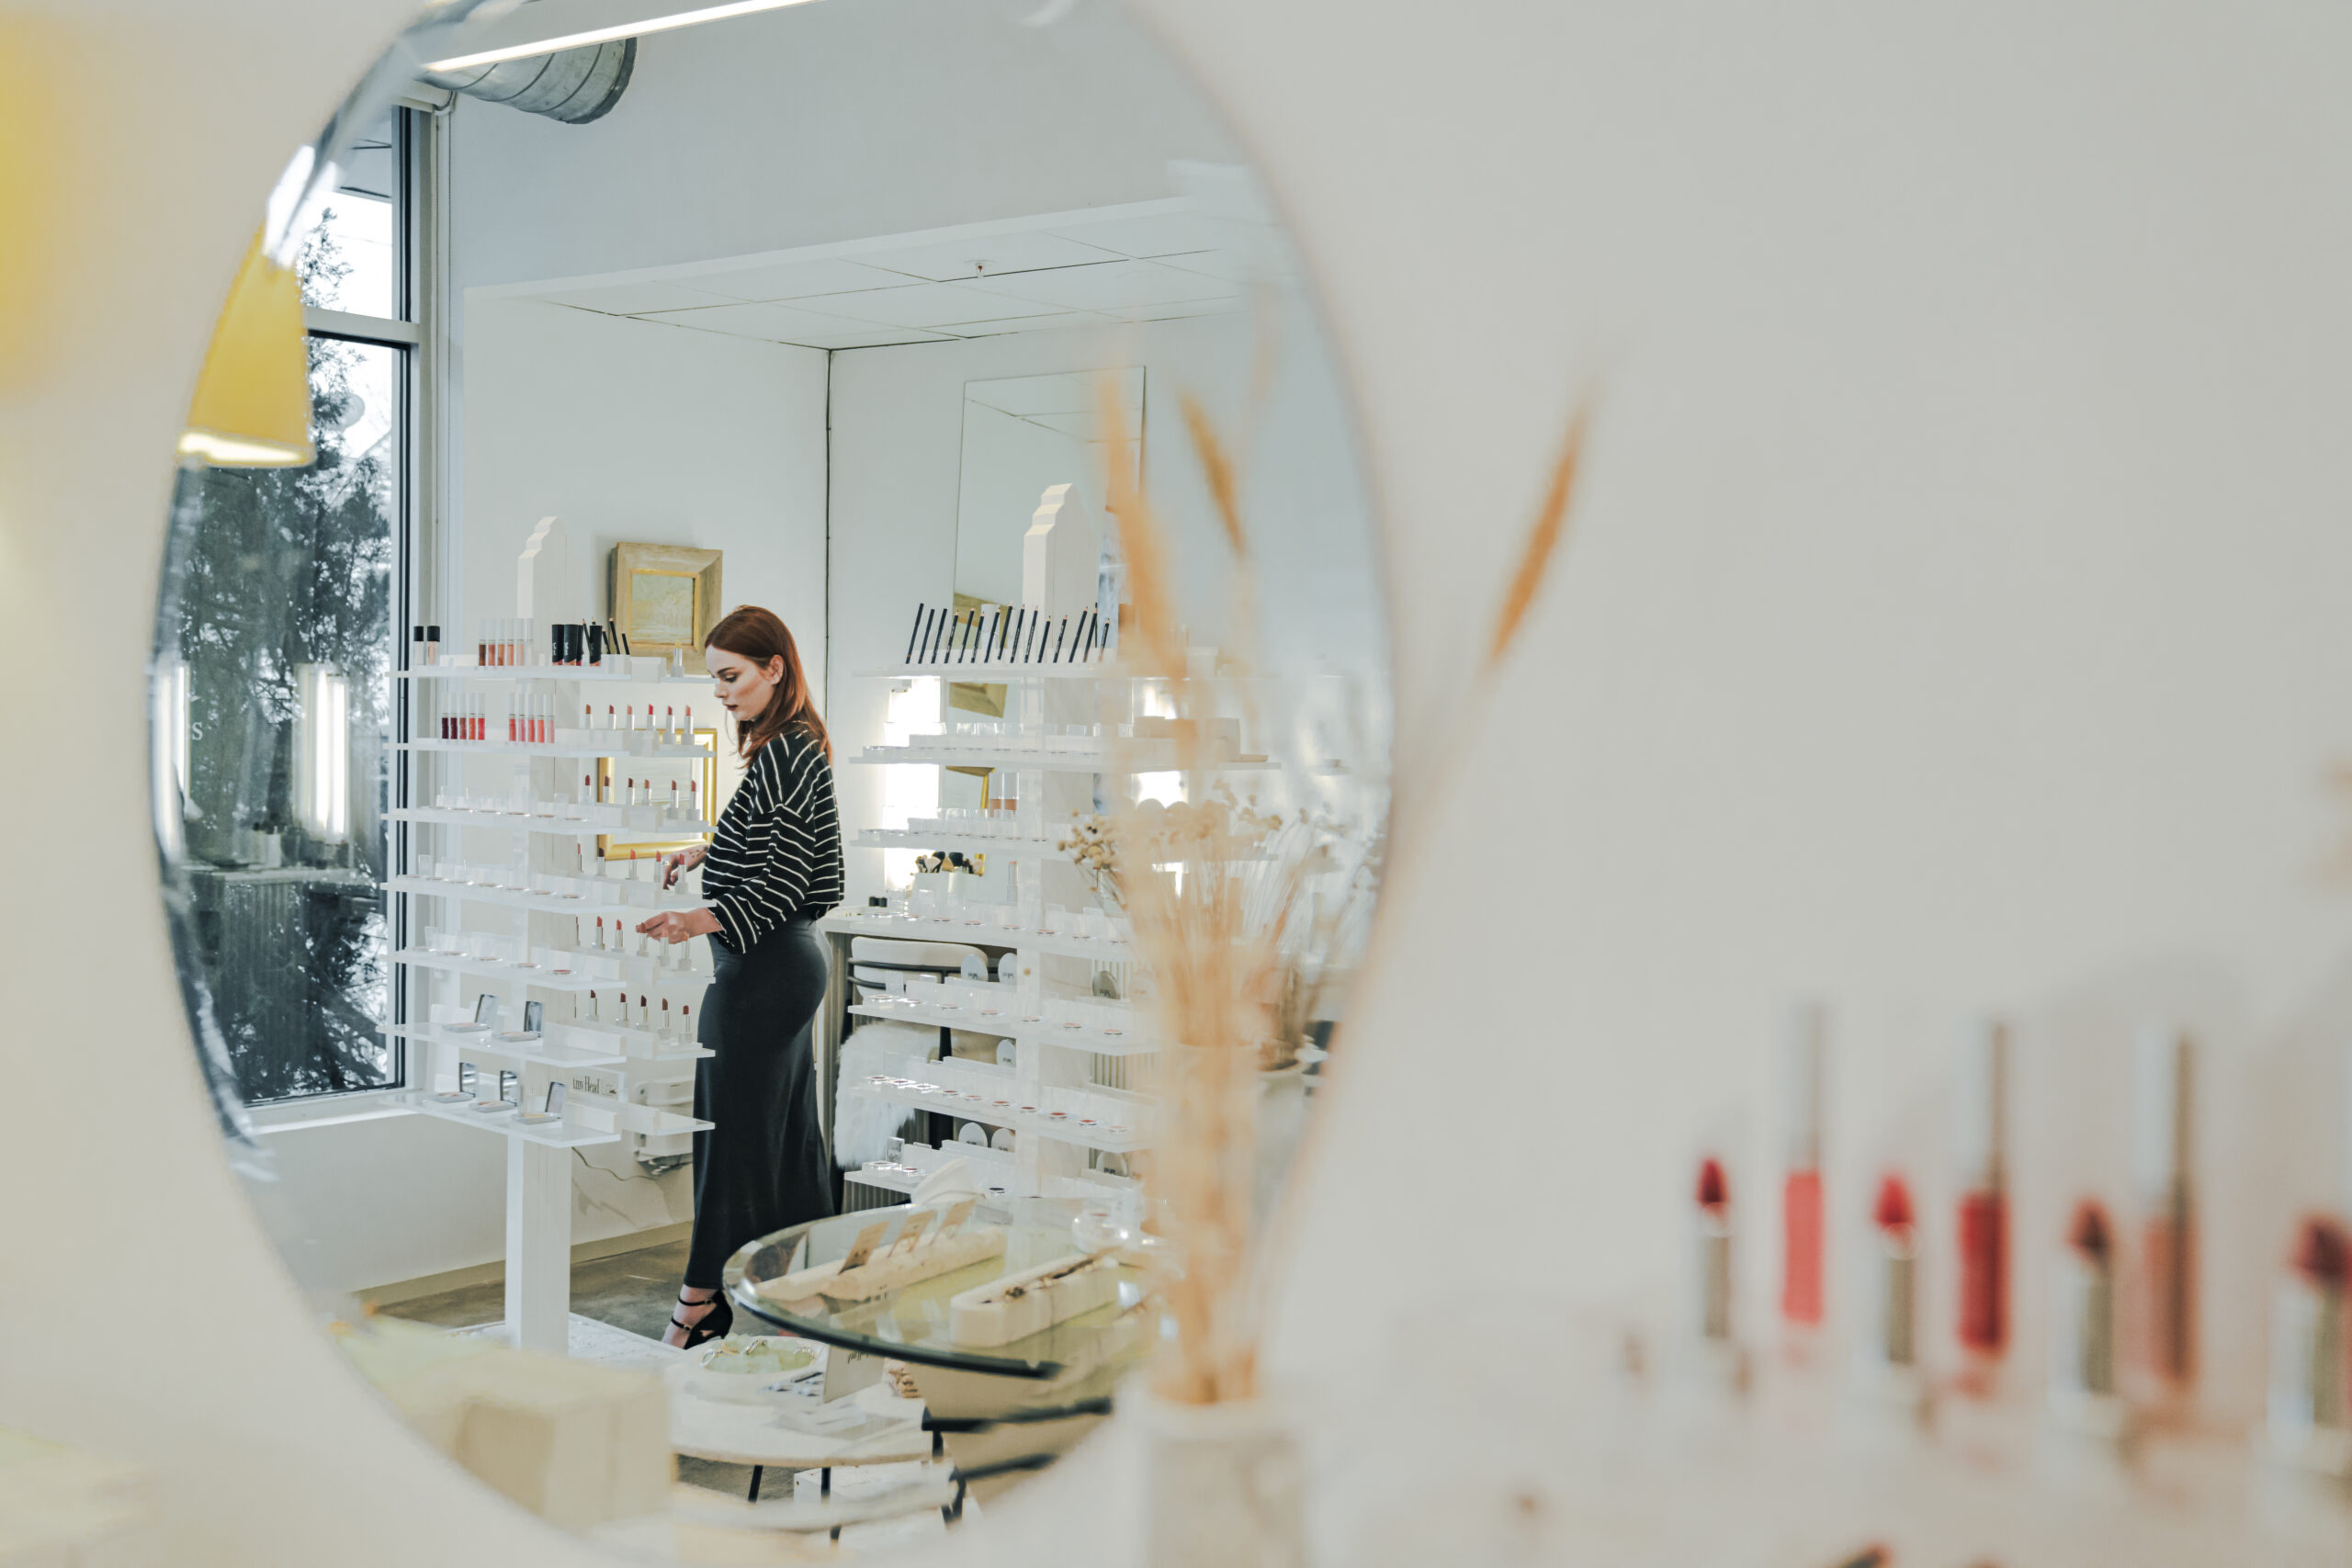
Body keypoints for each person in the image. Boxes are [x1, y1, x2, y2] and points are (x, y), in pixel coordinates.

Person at [635, 605, 842, 1348]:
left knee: (728, 1137)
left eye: (731, 676)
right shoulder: (796, 744)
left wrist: (698, 917)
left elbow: (784, 881)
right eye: (715, 679)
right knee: (784, 1139)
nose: (721, 693)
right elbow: (776, 849)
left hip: (763, 971)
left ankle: (701, 1301)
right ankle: (805, 1294)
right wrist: (706, 852)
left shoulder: (786, 751)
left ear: (773, 668)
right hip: (782, 966)